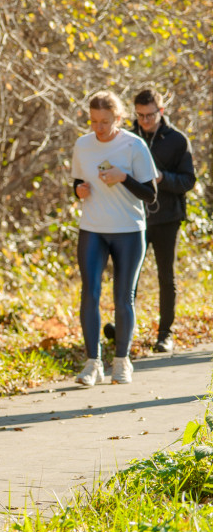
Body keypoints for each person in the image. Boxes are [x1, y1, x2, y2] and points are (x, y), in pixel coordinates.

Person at [71, 91, 157, 386]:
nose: (99, 128)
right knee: (90, 293)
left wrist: (123, 177)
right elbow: (77, 182)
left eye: (105, 122)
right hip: (93, 228)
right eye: (94, 121)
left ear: (118, 119)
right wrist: (78, 191)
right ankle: (92, 363)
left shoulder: (135, 145)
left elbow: (150, 194)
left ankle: (122, 361)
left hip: (129, 230)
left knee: (123, 298)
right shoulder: (83, 145)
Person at [130, 89, 196, 353]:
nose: (145, 120)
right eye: (140, 115)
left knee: (165, 276)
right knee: (128, 276)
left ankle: (165, 334)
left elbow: (188, 181)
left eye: (150, 115)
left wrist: (161, 178)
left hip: (168, 218)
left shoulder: (178, 140)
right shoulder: (128, 138)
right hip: (135, 218)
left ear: (161, 111)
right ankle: (125, 330)